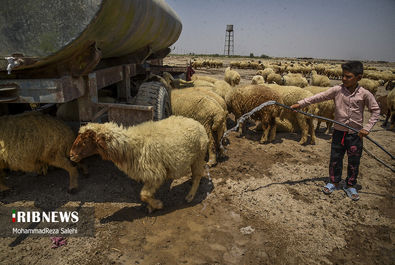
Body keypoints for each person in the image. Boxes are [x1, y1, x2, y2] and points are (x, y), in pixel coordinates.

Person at [291, 61, 380, 201]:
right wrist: (301, 103)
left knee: (354, 161)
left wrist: (367, 128)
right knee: (335, 158)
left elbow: (376, 111)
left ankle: (350, 185)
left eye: (348, 76)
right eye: (343, 76)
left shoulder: (365, 94)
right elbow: (319, 96)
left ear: (359, 77)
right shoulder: (337, 90)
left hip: (355, 134)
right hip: (338, 132)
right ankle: (334, 181)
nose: (344, 79)